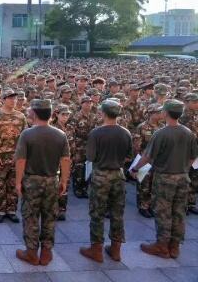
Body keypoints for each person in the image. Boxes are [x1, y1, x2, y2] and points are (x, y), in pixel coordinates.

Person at [131, 99, 198, 259]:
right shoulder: (188, 132)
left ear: (165, 113)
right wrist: (183, 168)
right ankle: (174, 247)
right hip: (182, 177)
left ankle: (162, 245)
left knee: (163, 212)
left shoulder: (161, 133)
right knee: (178, 212)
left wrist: (135, 168)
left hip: (165, 177)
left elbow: (147, 156)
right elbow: (193, 156)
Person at [15, 99, 70, 266]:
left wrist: (18, 182)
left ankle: (31, 252)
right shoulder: (60, 134)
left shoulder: (27, 134)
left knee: (30, 216)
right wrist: (64, 181)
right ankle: (46, 252)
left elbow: (21, 160)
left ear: (35, 114)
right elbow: (66, 160)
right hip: (52, 179)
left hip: (32, 180)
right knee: (49, 216)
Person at [80, 100, 132, 263]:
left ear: (102, 113)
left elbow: (90, 157)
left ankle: (96, 249)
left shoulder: (96, 133)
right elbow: (129, 154)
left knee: (97, 213)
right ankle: (116, 250)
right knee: (117, 213)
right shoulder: (125, 132)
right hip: (118, 174)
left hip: (101, 175)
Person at [0, 89, 26, 223]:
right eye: (10, 98)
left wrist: (21, 155)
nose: (13, 100)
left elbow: (24, 137)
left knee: (14, 184)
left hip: (16, 156)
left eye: (14, 98)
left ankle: (11, 210)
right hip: (1, 155)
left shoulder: (21, 116)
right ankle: (0, 210)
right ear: (3, 99)